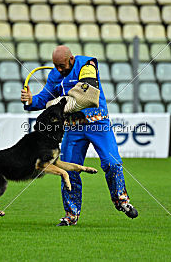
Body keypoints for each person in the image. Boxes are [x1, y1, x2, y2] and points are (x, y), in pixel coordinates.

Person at [21, 45, 138, 226]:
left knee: (112, 162)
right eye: (55, 66)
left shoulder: (87, 64)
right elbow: (44, 98)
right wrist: (31, 100)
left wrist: (56, 102)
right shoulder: (54, 75)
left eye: (61, 65)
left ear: (72, 59)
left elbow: (86, 96)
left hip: (98, 123)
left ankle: (121, 200)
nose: (58, 70)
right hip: (73, 128)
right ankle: (71, 214)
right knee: (68, 170)